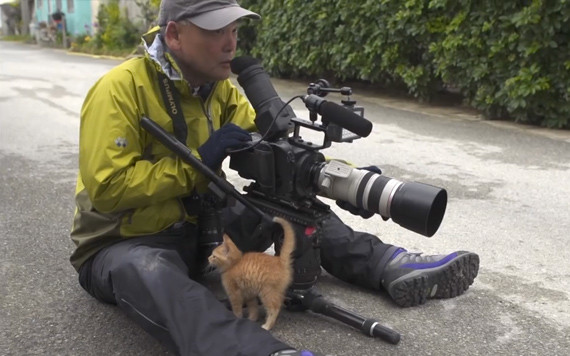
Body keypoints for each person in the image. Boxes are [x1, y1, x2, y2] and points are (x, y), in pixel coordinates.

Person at [69, 1, 480, 355]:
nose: (231, 43)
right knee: (151, 271)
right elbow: (107, 188)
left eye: (234, 30)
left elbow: (278, 153)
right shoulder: (119, 89)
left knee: (288, 207)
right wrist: (197, 162)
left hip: (201, 229)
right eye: (217, 31)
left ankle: (388, 264)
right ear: (174, 35)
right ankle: (260, 350)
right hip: (124, 243)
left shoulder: (220, 89)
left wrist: (335, 179)